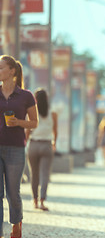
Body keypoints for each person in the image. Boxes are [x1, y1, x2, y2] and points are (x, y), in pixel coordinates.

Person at [0, 55, 38, 238]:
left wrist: (19, 122)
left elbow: (35, 123)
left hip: (15, 148)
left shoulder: (26, 96)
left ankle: (16, 224)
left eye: (1, 68)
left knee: (12, 192)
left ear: (12, 71)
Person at [26, 88, 57, 211]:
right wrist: (55, 143)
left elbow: (28, 130)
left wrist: (25, 142)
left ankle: (34, 201)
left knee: (34, 175)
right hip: (47, 145)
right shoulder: (53, 113)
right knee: (45, 174)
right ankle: (42, 201)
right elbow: (56, 131)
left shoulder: (32, 112)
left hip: (33, 145)